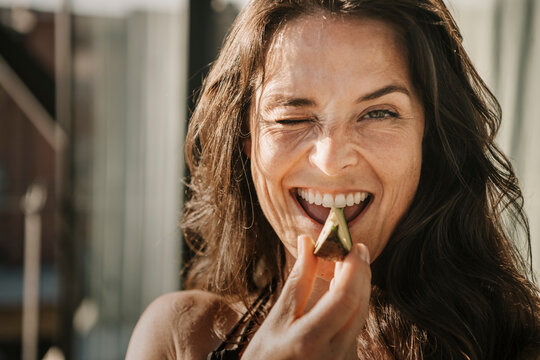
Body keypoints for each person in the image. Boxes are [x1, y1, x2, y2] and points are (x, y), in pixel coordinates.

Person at [126, 0, 540, 359]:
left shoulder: (521, 345)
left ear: (427, 135)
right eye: (292, 118)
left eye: (378, 113)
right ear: (245, 138)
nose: (330, 161)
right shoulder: (180, 338)